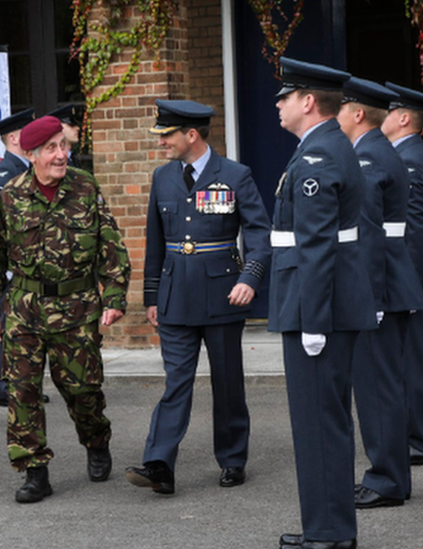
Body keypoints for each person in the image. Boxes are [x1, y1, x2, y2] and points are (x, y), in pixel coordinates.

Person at [0, 115, 131, 503]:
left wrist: (114, 298)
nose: (62, 155)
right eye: (51, 149)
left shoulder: (85, 187)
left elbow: (110, 246)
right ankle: (34, 470)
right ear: (31, 154)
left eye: (63, 145)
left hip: (76, 309)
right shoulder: (10, 195)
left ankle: (96, 441)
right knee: (22, 391)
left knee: (83, 391)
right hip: (24, 308)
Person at [124, 100, 270, 495]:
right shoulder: (162, 177)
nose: (162, 144)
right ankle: (159, 464)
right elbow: (154, 242)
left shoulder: (236, 176)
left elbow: (260, 235)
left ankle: (233, 457)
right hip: (175, 296)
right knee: (177, 382)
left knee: (227, 382)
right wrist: (152, 296)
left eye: (167, 136)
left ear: (192, 135)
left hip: (223, 294)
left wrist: (250, 279)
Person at [270, 58, 376, 549]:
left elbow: (315, 245)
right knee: (325, 419)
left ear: (307, 102)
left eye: (285, 97)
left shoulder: (318, 157)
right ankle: (330, 529)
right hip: (324, 304)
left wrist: (312, 320)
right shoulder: (327, 147)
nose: (278, 104)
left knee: (319, 422)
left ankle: (329, 533)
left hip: (318, 309)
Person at [338, 77, 423, 509]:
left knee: (377, 388)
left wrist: (366, 299)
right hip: (389, 283)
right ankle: (392, 475)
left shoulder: (368, 158)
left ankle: (386, 478)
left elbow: (367, 237)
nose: (335, 115)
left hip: (380, 288)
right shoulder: (372, 152)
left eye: (342, 107)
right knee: (385, 384)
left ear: (357, 114)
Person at [382, 82, 423, 466]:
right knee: (412, 361)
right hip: (418, 274)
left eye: (388, 111)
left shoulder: (408, 159)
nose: (382, 119)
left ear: (403, 118)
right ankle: (415, 435)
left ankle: (420, 441)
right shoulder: (408, 154)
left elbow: (413, 229)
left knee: (417, 363)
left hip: (417, 277)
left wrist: (399, 280)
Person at [0, 107, 43, 407]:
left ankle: (27, 381)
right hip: (14, 264)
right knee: (10, 325)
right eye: (27, 132)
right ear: (13, 138)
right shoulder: (6, 172)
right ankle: (6, 384)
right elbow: (7, 225)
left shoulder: (27, 168)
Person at [46, 103, 84, 170]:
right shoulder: (55, 160)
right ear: (60, 126)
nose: (77, 128)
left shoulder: (72, 158)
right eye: (71, 125)